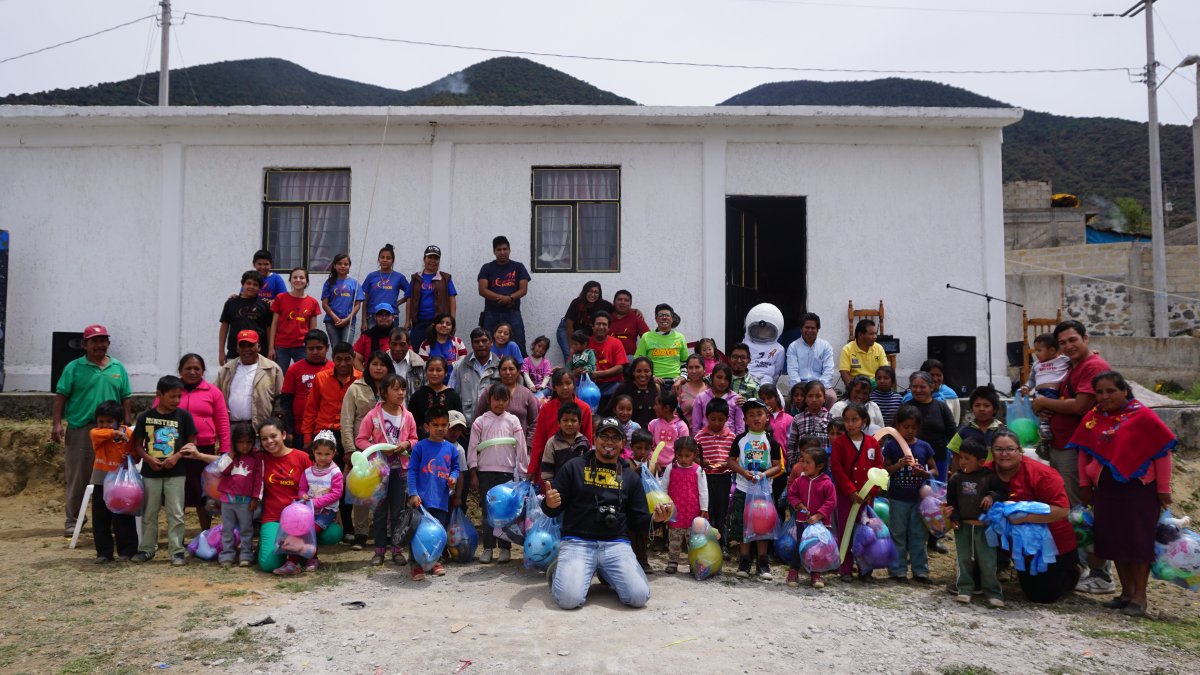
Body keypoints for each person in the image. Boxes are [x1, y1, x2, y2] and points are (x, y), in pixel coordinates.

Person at [1068, 371, 1176, 617]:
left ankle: (1140, 597)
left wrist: (1163, 490)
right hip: (1106, 489)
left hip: (1139, 488)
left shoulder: (1143, 417)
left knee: (1138, 541)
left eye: (1111, 391)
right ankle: (1126, 593)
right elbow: (1084, 451)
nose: (1105, 397)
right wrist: (1085, 485)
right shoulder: (1093, 419)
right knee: (1114, 539)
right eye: (1100, 392)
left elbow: (1162, 452)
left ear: (1124, 390)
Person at [542, 417, 672, 610]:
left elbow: (638, 521)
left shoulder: (630, 477)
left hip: (616, 545)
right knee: (569, 600)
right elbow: (552, 510)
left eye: (615, 437)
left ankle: (606, 572)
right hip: (578, 542)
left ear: (622, 443)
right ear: (594, 439)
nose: (609, 441)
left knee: (639, 597)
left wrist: (656, 520)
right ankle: (558, 570)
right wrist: (550, 503)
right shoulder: (574, 467)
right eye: (604, 436)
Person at [1031, 320, 1114, 594]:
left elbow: (1080, 405)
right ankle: (1081, 565)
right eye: (1063, 342)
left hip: (1077, 449)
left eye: (1072, 340)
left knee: (1081, 511)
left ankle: (1100, 573)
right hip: (1063, 445)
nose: (1068, 346)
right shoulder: (1072, 366)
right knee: (1072, 508)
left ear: (1086, 338)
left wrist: (1044, 403)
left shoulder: (1093, 367)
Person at [52, 323, 131, 537]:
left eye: (103, 340)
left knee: (111, 476)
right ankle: (73, 519)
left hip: (113, 432)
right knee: (79, 476)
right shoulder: (74, 368)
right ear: (85, 344)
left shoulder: (118, 368)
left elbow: (126, 399)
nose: (99, 345)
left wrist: (126, 425)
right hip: (81, 429)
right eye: (94, 341)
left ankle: (113, 517)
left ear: (108, 343)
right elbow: (61, 396)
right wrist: (57, 423)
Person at [989, 430, 1080, 603]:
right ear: (991, 451)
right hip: (1006, 538)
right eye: (998, 449)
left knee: (1041, 596)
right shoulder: (985, 472)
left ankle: (1070, 569)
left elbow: (1062, 510)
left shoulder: (1042, 474)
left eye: (1010, 449)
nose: (1004, 454)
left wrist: (1024, 517)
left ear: (1020, 450)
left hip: (1048, 544)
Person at [131, 375, 198, 566]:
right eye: (172, 397)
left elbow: (192, 442)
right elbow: (137, 445)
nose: (176, 401)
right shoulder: (145, 417)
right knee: (149, 512)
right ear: (158, 394)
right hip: (150, 473)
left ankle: (176, 551)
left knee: (176, 512)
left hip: (176, 472)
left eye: (179, 397)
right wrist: (149, 459)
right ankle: (146, 549)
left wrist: (176, 457)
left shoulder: (184, 416)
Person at [354, 373, 417, 565]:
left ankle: (397, 550)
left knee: (398, 511)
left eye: (403, 389)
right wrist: (379, 449)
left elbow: (415, 439)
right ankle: (379, 551)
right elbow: (360, 440)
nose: (400, 393)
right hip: (379, 472)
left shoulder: (408, 416)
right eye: (395, 389)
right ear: (383, 392)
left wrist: (406, 444)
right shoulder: (373, 415)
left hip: (401, 471)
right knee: (380, 511)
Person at [469, 383, 531, 564]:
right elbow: (472, 448)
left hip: (506, 474)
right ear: (489, 400)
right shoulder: (480, 421)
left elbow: (520, 447)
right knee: (488, 512)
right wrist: (474, 473)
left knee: (506, 512)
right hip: (485, 473)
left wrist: (523, 472)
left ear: (508, 401)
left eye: (504, 400)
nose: (499, 403)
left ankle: (505, 549)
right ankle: (488, 548)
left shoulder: (513, 421)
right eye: (496, 399)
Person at [339, 350, 393, 548]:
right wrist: (349, 450)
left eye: (382, 364)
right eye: (374, 364)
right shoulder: (355, 388)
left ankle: (386, 533)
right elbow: (346, 420)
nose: (378, 368)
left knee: (385, 490)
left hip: (387, 448)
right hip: (361, 449)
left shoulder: (395, 387)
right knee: (361, 491)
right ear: (367, 366)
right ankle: (361, 533)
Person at [171, 353, 231, 530]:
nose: (192, 372)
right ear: (180, 371)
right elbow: (156, 414)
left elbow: (222, 421)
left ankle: (205, 532)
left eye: (196, 368)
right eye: (187, 368)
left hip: (204, 450)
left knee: (203, 492)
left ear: (203, 371)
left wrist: (225, 450)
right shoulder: (171, 389)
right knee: (177, 492)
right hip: (174, 448)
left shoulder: (213, 392)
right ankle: (177, 535)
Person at [727, 398, 784, 579]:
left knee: (762, 526)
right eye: (751, 415)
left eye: (759, 414)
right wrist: (744, 472)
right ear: (745, 420)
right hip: (744, 489)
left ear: (767, 417)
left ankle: (763, 563)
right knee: (745, 525)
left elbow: (778, 466)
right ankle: (744, 561)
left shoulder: (771, 442)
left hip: (764, 492)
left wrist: (763, 475)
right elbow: (730, 461)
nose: (756, 418)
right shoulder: (740, 439)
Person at [881, 405, 937, 584]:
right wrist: (898, 465)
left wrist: (924, 473)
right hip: (898, 498)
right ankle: (898, 570)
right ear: (897, 426)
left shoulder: (924, 446)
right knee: (897, 533)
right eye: (906, 427)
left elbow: (935, 470)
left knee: (918, 534)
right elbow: (884, 470)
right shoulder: (891, 446)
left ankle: (920, 570)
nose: (909, 431)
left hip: (919, 500)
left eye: (913, 427)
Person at [947, 437, 1006, 607]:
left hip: (985, 528)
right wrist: (955, 519)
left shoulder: (990, 478)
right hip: (963, 527)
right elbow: (952, 503)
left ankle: (993, 592)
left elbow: (1002, 493)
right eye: (961, 457)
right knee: (964, 559)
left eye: (967, 458)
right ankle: (965, 589)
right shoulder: (956, 479)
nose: (962, 462)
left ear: (981, 461)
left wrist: (991, 496)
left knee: (988, 562)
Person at [829, 403, 883, 582]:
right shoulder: (840, 443)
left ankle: (865, 569)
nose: (850, 424)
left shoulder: (872, 442)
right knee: (847, 531)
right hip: (847, 497)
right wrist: (851, 491)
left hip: (867, 498)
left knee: (866, 532)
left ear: (864, 421)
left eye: (855, 420)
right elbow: (837, 469)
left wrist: (872, 491)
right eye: (847, 420)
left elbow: (878, 469)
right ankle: (845, 568)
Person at [407, 408, 460, 580]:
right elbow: (412, 471)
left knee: (437, 532)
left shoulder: (451, 449)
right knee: (417, 533)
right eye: (435, 425)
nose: (440, 428)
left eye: (444, 425)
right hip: (421, 501)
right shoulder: (419, 447)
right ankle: (416, 564)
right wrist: (413, 493)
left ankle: (433, 561)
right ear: (426, 427)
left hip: (441, 499)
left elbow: (456, 468)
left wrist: (453, 477)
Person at [256, 418, 313, 575]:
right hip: (273, 518)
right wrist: (200, 455)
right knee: (268, 564)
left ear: (284, 435)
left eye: (273, 436)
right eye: (264, 439)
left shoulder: (302, 457)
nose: (269, 441)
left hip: (300, 518)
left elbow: (318, 482)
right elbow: (233, 462)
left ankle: (301, 553)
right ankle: (290, 553)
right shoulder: (260, 459)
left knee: (333, 533)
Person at [527, 368, 595, 485]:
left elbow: (587, 440)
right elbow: (538, 442)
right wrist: (532, 468)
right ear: (554, 387)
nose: (564, 387)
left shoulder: (584, 408)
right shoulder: (547, 409)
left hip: (576, 466)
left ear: (574, 385)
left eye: (568, 383)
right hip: (550, 465)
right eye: (560, 384)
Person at [208, 422, 262, 568]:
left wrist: (255, 498)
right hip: (227, 500)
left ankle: (245, 554)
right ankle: (227, 554)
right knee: (227, 529)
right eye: (240, 442)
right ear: (234, 442)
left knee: (246, 529)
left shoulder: (256, 458)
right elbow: (222, 470)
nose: (244, 446)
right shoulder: (229, 456)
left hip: (245, 502)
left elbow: (258, 480)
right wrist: (231, 454)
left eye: (248, 442)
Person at [88, 400, 136, 563]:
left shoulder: (128, 434)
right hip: (101, 481)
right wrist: (113, 433)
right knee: (101, 519)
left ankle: (127, 551)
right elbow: (96, 434)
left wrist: (129, 455)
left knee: (123, 518)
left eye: (109, 422)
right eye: (101, 421)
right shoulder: (97, 434)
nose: (104, 425)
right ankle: (104, 552)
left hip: (122, 485)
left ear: (119, 421)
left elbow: (135, 452)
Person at [786, 444, 836, 589]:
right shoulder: (800, 481)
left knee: (818, 549)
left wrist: (818, 516)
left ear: (819, 466)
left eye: (808, 462)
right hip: (803, 521)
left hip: (820, 524)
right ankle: (793, 571)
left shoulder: (827, 483)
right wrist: (799, 506)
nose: (804, 465)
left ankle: (816, 573)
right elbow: (792, 494)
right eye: (803, 462)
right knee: (800, 546)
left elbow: (831, 502)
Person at [296, 431, 345, 572]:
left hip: (326, 511)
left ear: (334, 452)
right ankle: (296, 558)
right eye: (319, 454)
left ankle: (312, 558)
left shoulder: (335, 472)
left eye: (327, 454)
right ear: (313, 452)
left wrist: (315, 503)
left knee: (310, 529)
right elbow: (302, 489)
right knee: (299, 528)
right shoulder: (308, 472)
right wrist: (304, 496)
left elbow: (336, 494)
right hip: (308, 509)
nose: (323, 458)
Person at [216, 330, 284, 429]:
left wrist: (275, 424)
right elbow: (215, 396)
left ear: (259, 347)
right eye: (242, 345)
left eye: (250, 345)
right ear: (237, 348)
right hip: (231, 427)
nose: (246, 349)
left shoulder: (272, 369)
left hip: (261, 428)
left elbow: (280, 399)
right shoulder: (226, 370)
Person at [661, 437, 709, 575]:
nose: (683, 459)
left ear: (694, 455)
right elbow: (664, 487)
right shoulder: (671, 468)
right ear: (675, 454)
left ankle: (694, 563)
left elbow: (703, 491)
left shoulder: (698, 470)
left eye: (687, 456)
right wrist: (664, 504)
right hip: (675, 512)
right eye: (680, 455)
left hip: (692, 513)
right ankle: (672, 562)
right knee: (674, 539)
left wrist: (704, 508)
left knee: (693, 541)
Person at [478, 236, 531, 357]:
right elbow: (482, 290)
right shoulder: (487, 267)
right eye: (499, 249)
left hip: (512, 312)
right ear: (494, 251)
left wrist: (510, 298)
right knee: (487, 344)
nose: (502, 252)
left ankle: (522, 374)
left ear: (509, 249)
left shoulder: (518, 267)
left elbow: (523, 289)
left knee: (519, 344)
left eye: (505, 249)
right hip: (491, 313)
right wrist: (503, 298)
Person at [301, 342, 360, 451]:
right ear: (332, 358)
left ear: (354, 358)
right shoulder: (321, 377)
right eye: (338, 359)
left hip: (349, 433)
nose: (343, 364)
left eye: (347, 359)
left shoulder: (361, 380)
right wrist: (307, 438)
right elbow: (311, 409)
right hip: (322, 432)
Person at [695, 398, 736, 547]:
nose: (717, 423)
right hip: (705, 477)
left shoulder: (731, 437)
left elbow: (735, 459)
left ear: (727, 418)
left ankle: (722, 544)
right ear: (706, 417)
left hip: (724, 477)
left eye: (721, 419)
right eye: (713, 419)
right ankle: (706, 543)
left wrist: (727, 464)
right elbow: (693, 457)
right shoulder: (700, 436)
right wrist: (701, 462)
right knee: (707, 510)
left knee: (722, 512)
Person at [474, 356, 539, 449]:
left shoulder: (527, 394)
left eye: (511, 369)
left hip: (519, 448)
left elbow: (535, 422)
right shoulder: (489, 391)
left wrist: (527, 445)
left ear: (518, 372)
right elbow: (478, 416)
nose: (508, 372)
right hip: (491, 447)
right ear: (499, 372)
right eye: (504, 369)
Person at [904, 371, 956, 484]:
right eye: (914, 387)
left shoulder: (941, 407)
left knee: (936, 496)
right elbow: (897, 433)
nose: (918, 390)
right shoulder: (906, 407)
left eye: (922, 387)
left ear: (931, 387)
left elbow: (952, 433)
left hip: (938, 460)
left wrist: (956, 457)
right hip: (912, 462)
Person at [280, 330, 332, 439]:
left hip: (327, 430)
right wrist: (288, 430)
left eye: (319, 348)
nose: (315, 352)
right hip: (299, 430)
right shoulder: (293, 369)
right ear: (305, 348)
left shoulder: (334, 369)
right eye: (311, 348)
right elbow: (286, 403)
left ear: (327, 348)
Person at [268, 267, 321, 374]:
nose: (298, 280)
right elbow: (274, 324)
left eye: (302, 278)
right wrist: (271, 347)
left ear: (307, 281)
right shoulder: (280, 298)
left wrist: (312, 348)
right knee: (279, 377)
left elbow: (313, 330)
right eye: (295, 277)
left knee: (304, 376)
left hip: (302, 347)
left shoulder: (313, 302)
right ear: (290, 280)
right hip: (282, 346)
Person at [1024, 332, 1071, 447]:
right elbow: (1031, 380)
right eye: (1036, 350)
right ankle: (1044, 429)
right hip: (1038, 393)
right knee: (1040, 409)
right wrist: (1026, 387)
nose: (1036, 353)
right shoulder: (1036, 365)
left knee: (1047, 411)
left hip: (1053, 391)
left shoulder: (1063, 360)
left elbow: (1080, 361)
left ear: (1052, 351)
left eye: (1039, 350)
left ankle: (1045, 428)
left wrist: (1092, 354)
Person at [406, 245, 457, 351]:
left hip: (438, 324)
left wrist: (452, 321)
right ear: (424, 259)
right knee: (417, 351)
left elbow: (452, 299)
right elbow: (409, 299)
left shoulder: (445, 278)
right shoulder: (416, 278)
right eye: (430, 257)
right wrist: (407, 320)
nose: (432, 261)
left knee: (436, 352)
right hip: (418, 323)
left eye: (436, 258)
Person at [219, 270, 273, 366]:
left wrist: (270, 350)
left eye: (255, 284)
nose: (251, 287)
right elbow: (224, 326)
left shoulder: (264, 305)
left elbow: (269, 328)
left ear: (260, 288)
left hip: (258, 353)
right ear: (242, 284)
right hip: (234, 352)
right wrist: (221, 352)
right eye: (248, 283)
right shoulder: (231, 303)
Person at [450, 327, 501, 428]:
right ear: (472, 345)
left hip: (495, 425)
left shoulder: (501, 367)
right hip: (466, 426)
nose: (481, 344)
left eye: (484, 341)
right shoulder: (459, 366)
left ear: (491, 343)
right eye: (477, 341)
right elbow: (451, 396)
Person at [785, 312, 837, 409]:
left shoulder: (826, 346)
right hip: (800, 385)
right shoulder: (793, 347)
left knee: (831, 397)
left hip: (820, 385)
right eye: (807, 327)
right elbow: (792, 371)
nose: (810, 330)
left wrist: (818, 388)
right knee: (795, 399)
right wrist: (800, 389)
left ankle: (826, 422)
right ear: (801, 329)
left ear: (818, 330)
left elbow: (828, 371)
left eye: (813, 328)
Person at [948, 385, 1006, 471]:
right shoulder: (964, 431)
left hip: (996, 479)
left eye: (986, 405)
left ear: (995, 409)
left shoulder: (1002, 431)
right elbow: (956, 457)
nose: (981, 409)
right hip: (970, 480)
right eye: (977, 405)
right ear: (972, 408)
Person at [358, 243, 409, 330]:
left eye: (388, 258)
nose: (385, 260)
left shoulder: (399, 277)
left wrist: (398, 303)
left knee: (390, 342)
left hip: (391, 316)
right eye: (382, 257)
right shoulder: (371, 276)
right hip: (372, 315)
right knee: (372, 343)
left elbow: (410, 294)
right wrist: (363, 321)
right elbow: (365, 301)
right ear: (379, 259)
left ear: (393, 260)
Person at [558, 281, 613, 362]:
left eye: (596, 292)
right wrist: (572, 346)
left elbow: (618, 308)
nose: (593, 295)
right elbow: (569, 326)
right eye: (590, 291)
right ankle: (569, 373)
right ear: (585, 291)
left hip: (583, 333)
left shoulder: (604, 305)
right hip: (567, 329)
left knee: (584, 358)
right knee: (571, 356)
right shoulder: (576, 303)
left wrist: (633, 310)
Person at [635, 303, 688, 384]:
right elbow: (638, 361)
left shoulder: (680, 337)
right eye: (661, 315)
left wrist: (682, 377)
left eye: (667, 315)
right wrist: (652, 377)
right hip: (654, 381)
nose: (664, 318)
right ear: (656, 319)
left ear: (672, 318)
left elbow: (685, 362)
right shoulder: (646, 337)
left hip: (676, 381)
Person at [409, 357, 463, 433]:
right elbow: (411, 422)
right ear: (426, 372)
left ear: (446, 372)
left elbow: (457, 423)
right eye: (431, 370)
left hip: (447, 442)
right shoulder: (418, 395)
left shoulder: (453, 396)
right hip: (421, 441)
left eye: (439, 370)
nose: (434, 373)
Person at [539, 402, 589, 483]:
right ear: (559, 423)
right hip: (558, 487)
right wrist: (550, 486)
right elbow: (547, 468)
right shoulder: (552, 442)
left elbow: (587, 467)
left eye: (573, 420)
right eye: (565, 420)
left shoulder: (583, 442)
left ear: (580, 423)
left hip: (579, 486)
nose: (569, 424)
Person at [787, 380, 832, 467]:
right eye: (810, 396)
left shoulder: (830, 418)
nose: (814, 400)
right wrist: (793, 464)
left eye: (818, 396)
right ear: (805, 399)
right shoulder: (797, 418)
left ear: (824, 398)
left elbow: (833, 443)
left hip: (824, 466)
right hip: (802, 465)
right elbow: (791, 444)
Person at [691, 363, 744, 435]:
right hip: (705, 442)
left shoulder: (736, 399)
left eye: (726, 379)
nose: (722, 382)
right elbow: (696, 426)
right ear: (712, 377)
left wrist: (736, 444)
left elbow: (740, 428)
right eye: (719, 377)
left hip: (729, 443)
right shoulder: (701, 398)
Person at [741, 303, 786, 387]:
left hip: (766, 382)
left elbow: (777, 373)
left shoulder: (779, 349)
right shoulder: (746, 342)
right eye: (760, 328)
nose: (763, 331)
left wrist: (772, 385)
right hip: (745, 379)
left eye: (767, 329)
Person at [321, 253, 361, 347]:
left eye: (346, 264)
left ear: (349, 266)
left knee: (346, 350)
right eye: (339, 263)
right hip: (331, 322)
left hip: (349, 322)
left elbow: (357, 305)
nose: (343, 266)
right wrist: (335, 318)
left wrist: (347, 319)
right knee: (336, 350)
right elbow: (324, 304)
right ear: (334, 266)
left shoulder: (354, 283)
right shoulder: (329, 283)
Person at [610, 356, 661, 429]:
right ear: (633, 372)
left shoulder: (656, 388)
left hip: (651, 434)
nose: (643, 375)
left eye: (646, 371)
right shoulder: (624, 388)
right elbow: (610, 411)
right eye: (638, 371)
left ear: (651, 372)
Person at [587, 311, 628, 400]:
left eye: (604, 324)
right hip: (589, 384)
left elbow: (619, 368)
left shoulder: (616, 343)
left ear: (609, 328)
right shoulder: (585, 343)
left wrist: (598, 374)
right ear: (593, 327)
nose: (601, 327)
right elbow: (572, 365)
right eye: (598, 324)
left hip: (612, 384)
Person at [838, 319, 888, 387]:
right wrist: (853, 389)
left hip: (876, 387)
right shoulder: (847, 349)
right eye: (871, 334)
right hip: (857, 388)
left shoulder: (879, 348)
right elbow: (844, 373)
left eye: (875, 333)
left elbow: (885, 371)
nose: (875, 337)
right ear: (860, 335)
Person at [648, 390, 689, 471]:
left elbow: (684, 448)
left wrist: (675, 465)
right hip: (655, 467)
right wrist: (654, 462)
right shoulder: (653, 424)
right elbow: (649, 447)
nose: (654, 407)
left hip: (675, 468)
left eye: (656, 404)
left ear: (666, 408)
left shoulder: (681, 426)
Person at [418, 313, 468, 380]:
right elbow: (422, 367)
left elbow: (463, 364)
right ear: (434, 325)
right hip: (432, 383)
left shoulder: (457, 342)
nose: (444, 325)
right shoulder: (426, 344)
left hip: (453, 384)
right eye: (441, 323)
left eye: (448, 324)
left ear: (452, 328)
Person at [352, 305, 397, 370]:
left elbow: (409, 355)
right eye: (380, 315)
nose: (384, 317)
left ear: (393, 317)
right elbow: (355, 357)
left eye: (387, 315)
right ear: (375, 318)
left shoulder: (399, 335)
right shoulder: (366, 336)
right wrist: (365, 375)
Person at [609, 289, 650, 359]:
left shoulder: (636, 318)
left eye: (626, 300)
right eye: (619, 299)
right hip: (608, 357)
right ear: (613, 302)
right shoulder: (606, 317)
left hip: (628, 358)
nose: (622, 302)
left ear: (630, 304)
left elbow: (648, 338)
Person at [385, 327, 426, 395]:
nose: (397, 348)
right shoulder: (381, 362)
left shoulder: (419, 364)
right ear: (389, 344)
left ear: (409, 344)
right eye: (394, 344)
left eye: (402, 344)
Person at [674, 354, 710, 428]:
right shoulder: (679, 388)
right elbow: (674, 415)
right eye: (690, 367)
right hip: (686, 436)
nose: (694, 371)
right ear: (687, 369)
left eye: (697, 367)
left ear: (704, 368)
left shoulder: (711, 388)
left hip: (708, 436)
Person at [759, 384, 792, 451]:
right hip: (763, 458)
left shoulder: (789, 419)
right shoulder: (759, 418)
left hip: (783, 459)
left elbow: (791, 443)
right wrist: (765, 415)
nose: (766, 402)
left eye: (769, 398)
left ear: (777, 398)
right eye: (763, 399)